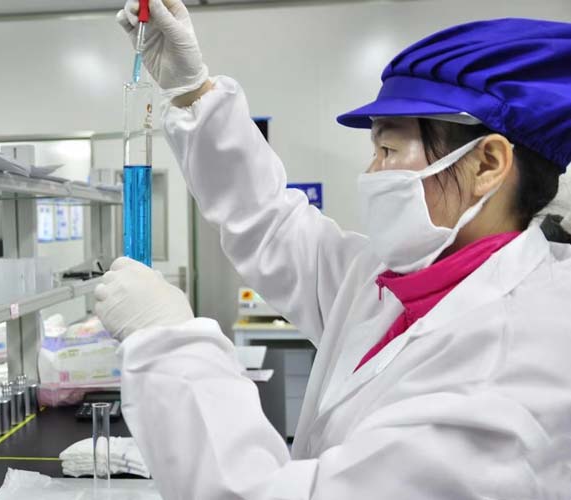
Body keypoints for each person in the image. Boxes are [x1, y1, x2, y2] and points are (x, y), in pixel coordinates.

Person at [94, 2, 571, 498]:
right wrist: (193, 91)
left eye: (388, 150)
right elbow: (270, 223)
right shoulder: (401, 281)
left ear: (487, 164)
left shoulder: (515, 369)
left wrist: (170, 345)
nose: (371, 173)